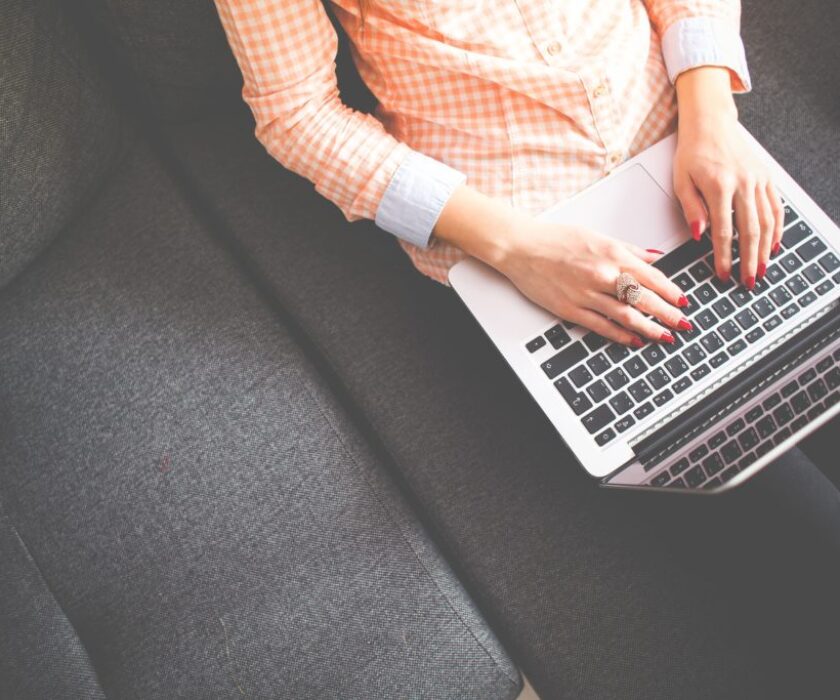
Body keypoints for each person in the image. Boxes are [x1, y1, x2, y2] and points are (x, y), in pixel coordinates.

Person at [214, 1, 840, 694]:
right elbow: (297, 114)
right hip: (530, 242)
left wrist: (712, 112)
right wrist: (519, 248)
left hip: (690, 146)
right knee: (797, 559)